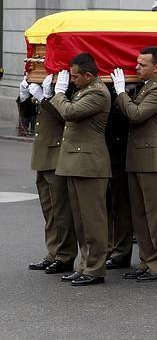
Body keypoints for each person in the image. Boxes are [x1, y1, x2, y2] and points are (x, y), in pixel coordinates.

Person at [111, 46, 157, 282]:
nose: (136, 67)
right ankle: (146, 260)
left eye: (142, 64)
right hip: (137, 158)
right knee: (140, 215)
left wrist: (120, 93)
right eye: (136, 63)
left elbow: (136, 115)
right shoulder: (146, 87)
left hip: (154, 160)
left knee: (156, 215)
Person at [50, 52, 112, 286]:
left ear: (88, 75)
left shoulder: (97, 92)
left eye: (76, 76)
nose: (72, 80)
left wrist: (57, 94)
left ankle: (95, 268)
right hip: (77, 163)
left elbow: (69, 113)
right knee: (80, 221)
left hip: (90, 164)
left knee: (92, 220)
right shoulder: (84, 89)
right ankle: (85, 264)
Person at [21, 75, 78, 274]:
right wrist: (25, 97)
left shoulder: (66, 87)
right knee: (49, 210)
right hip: (42, 153)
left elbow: (66, 117)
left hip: (57, 153)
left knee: (60, 210)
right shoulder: (46, 84)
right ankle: (53, 252)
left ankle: (65, 255)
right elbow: (28, 119)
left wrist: (46, 97)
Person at [104, 82, 133, 270]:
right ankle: (106, 249)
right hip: (101, 150)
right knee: (104, 205)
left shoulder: (133, 88)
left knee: (120, 204)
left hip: (121, 150)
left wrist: (121, 91)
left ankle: (120, 252)